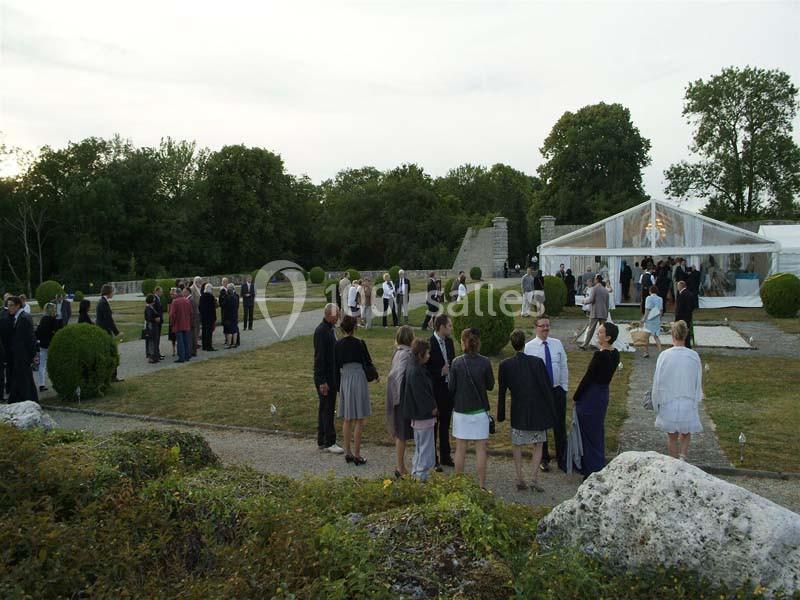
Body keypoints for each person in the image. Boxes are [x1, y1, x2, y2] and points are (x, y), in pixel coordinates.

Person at [497, 329, 556, 492]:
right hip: (537, 410)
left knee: (518, 445)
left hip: (518, 410)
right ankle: (534, 478)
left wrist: (500, 414)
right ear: (525, 343)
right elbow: (546, 388)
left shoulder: (505, 365)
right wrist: (552, 410)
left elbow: (502, 392)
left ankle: (519, 477)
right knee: (538, 444)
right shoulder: (537, 363)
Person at [572, 322, 620, 478]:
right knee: (597, 429)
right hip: (603, 393)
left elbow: (588, 378)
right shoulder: (615, 353)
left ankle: (590, 467)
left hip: (592, 394)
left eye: (600, 333)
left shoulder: (600, 356)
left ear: (607, 337)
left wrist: (576, 396)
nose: (598, 334)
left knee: (587, 431)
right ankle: (596, 462)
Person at [449, 327, 494, 489]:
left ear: (463, 343)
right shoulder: (485, 362)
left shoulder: (456, 362)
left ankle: (458, 485)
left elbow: (451, 387)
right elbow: (490, 385)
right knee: (481, 449)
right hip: (480, 411)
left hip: (461, 411)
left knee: (461, 448)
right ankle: (481, 485)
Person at [653, 320, 703, 460]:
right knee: (686, 433)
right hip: (687, 399)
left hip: (669, 400)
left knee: (672, 436)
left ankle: (673, 460)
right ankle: (683, 457)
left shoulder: (664, 355)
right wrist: (696, 397)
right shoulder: (693, 356)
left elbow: (658, 380)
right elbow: (698, 379)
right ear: (686, 335)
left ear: (672, 335)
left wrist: (656, 399)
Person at [525, 315, 569, 472]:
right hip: (540, 394)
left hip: (557, 390)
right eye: (542, 326)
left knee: (559, 427)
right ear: (536, 327)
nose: (545, 328)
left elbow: (563, 365)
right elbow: (527, 372)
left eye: (547, 325)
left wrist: (564, 387)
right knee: (541, 427)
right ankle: (544, 458)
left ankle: (562, 459)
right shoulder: (529, 347)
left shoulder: (557, 344)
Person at [335, 315, 377, 465]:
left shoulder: (338, 344)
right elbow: (368, 361)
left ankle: (348, 452)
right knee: (359, 418)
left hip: (345, 377)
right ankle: (357, 454)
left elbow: (336, 364)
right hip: (358, 377)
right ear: (354, 328)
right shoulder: (360, 343)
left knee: (347, 418)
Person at [401, 338, 438, 481]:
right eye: (427, 353)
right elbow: (421, 394)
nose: (429, 356)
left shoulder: (413, 367)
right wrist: (432, 408)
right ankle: (420, 476)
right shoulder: (417, 371)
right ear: (421, 354)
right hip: (423, 416)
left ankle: (417, 473)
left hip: (418, 416)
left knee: (420, 447)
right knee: (425, 448)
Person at [385, 325, 415, 477]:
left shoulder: (397, 352)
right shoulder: (406, 354)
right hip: (401, 399)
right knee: (402, 435)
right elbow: (399, 375)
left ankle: (400, 465)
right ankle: (400, 467)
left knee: (401, 434)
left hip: (396, 397)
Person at [428, 314, 457, 469]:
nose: (451, 328)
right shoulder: (430, 343)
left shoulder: (450, 342)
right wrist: (440, 372)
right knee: (434, 425)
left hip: (448, 389)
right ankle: (433, 458)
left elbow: (453, 360)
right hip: (435, 390)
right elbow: (426, 370)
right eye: (450, 325)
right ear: (441, 327)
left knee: (446, 423)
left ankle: (446, 455)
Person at [314, 303, 344, 454]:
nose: (339, 316)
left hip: (332, 375)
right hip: (325, 377)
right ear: (328, 314)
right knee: (327, 408)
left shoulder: (330, 329)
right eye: (336, 313)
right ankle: (329, 441)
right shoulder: (321, 331)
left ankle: (322, 439)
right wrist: (322, 381)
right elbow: (319, 359)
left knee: (325, 408)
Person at [5, 296, 38, 403]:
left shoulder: (23, 318)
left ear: (18, 305)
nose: (9, 308)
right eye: (8, 305)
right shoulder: (18, 318)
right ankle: (23, 400)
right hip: (19, 354)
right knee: (23, 378)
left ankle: (27, 400)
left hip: (23, 355)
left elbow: (30, 338)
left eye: (11, 305)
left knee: (24, 379)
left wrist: (33, 355)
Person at [96, 284, 123, 381]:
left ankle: (111, 376)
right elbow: (108, 320)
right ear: (108, 292)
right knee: (111, 353)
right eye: (112, 291)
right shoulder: (103, 303)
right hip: (105, 332)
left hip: (104, 331)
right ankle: (112, 376)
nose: (113, 293)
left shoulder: (102, 302)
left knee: (110, 353)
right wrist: (117, 333)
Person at [35, 302, 61, 391]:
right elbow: (57, 332)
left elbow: (38, 332)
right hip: (51, 344)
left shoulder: (43, 319)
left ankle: (41, 384)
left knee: (42, 365)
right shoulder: (53, 320)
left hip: (43, 344)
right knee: (54, 363)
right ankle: (56, 382)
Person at [580, 275, 609, 351]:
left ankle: (585, 344)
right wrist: (606, 313)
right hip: (603, 312)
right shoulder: (605, 290)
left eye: (595, 279)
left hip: (595, 312)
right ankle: (604, 345)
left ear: (596, 280)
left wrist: (584, 301)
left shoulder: (594, 288)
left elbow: (591, 299)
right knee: (603, 331)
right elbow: (607, 303)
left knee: (591, 329)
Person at [169, 287, 193, 363]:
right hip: (186, 323)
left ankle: (181, 357)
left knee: (180, 342)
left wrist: (172, 323)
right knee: (186, 341)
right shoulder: (187, 301)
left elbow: (172, 314)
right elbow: (191, 312)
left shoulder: (175, 302)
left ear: (177, 293)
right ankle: (187, 356)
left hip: (178, 324)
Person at [642, 284, 663, 358]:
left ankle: (646, 352)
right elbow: (661, 310)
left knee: (646, 337)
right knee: (656, 337)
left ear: (650, 291)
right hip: (656, 318)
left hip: (649, 319)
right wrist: (660, 319)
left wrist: (644, 319)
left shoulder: (648, 298)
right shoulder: (660, 299)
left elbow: (647, 310)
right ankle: (660, 352)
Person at [674, 281, 696, 349]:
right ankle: (688, 345)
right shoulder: (690, 294)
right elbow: (693, 305)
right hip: (688, 316)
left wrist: (676, 319)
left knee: (681, 331)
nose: (677, 288)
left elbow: (679, 308)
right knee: (687, 331)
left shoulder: (682, 295)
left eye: (678, 286)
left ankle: (683, 345)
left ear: (681, 286)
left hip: (682, 317)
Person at [199, 283, 218, 351]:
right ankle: (209, 346)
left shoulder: (202, 296)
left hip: (204, 317)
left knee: (204, 331)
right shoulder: (211, 297)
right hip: (210, 317)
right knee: (209, 332)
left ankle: (204, 346)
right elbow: (214, 307)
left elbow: (200, 307)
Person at [143, 294, 160, 364]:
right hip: (152, 327)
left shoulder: (150, 307)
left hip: (152, 326)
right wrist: (155, 319)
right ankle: (152, 357)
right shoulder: (149, 308)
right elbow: (149, 318)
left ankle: (153, 356)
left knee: (152, 341)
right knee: (152, 341)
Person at [222, 283, 240, 348]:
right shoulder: (236, 297)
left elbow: (223, 305)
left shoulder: (227, 298)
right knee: (234, 329)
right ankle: (234, 343)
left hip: (228, 316)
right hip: (234, 315)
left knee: (229, 330)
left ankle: (229, 344)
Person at [190, 276, 202, 355]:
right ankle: (195, 343)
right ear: (196, 281)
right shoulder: (192, 289)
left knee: (198, 327)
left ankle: (196, 341)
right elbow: (192, 300)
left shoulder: (198, 288)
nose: (200, 283)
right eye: (199, 281)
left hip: (199, 310)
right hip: (195, 311)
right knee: (195, 327)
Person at [152, 286, 165, 360]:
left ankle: (157, 353)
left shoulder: (158, 299)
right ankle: (156, 354)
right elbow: (154, 310)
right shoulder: (155, 299)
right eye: (161, 291)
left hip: (159, 321)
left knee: (158, 338)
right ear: (157, 291)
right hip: (157, 322)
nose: (162, 293)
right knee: (156, 338)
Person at [166, 288, 178, 356]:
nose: (171, 295)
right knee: (172, 336)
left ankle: (177, 348)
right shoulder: (169, 300)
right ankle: (173, 350)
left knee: (177, 334)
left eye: (173, 294)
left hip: (176, 319)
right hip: (171, 319)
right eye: (171, 294)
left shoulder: (177, 300)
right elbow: (168, 310)